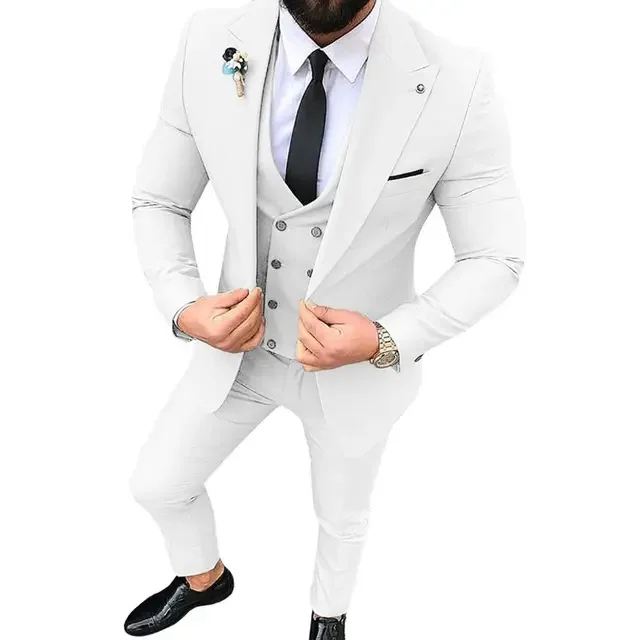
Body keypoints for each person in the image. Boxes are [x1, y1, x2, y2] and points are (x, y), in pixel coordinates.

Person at [124, 0, 526, 637]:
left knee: (341, 517)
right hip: (241, 355)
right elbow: (159, 199)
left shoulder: (457, 78)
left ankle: (328, 618)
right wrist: (183, 305)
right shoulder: (209, 40)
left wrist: (387, 338)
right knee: (157, 483)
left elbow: (495, 256)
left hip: (356, 370)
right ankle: (204, 577)